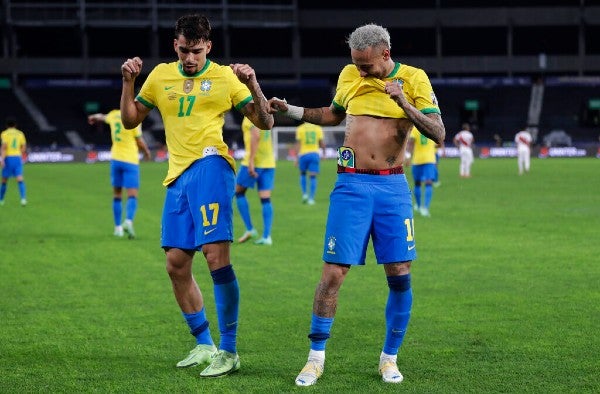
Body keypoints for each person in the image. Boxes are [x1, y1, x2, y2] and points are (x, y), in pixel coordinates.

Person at [268, 23, 445, 386]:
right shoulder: (349, 73)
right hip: (350, 185)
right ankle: (315, 359)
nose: (360, 71)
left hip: (392, 187)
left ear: (385, 53)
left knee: (399, 275)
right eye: (356, 64)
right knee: (332, 274)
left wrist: (403, 102)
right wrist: (292, 110)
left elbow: (438, 133)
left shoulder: (414, 78)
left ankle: (389, 359)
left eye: (366, 65)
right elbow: (332, 114)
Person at [119, 14, 273, 378]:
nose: (190, 58)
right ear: (175, 45)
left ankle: (230, 350)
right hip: (177, 175)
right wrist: (128, 82)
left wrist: (252, 84)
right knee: (175, 263)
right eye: (185, 50)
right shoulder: (159, 76)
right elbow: (129, 121)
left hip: (211, 164)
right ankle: (205, 343)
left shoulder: (222, 77)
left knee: (215, 255)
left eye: (198, 51)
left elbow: (265, 121)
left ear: (209, 47)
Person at [88, 110, 151, 238]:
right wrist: (146, 152)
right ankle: (128, 221)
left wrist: (93, 117)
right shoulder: (134, 118)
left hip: (116, 159)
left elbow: (102, 116)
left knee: (117, 194)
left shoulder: (114, 115)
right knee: (132, 195)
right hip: (130, 161)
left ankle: (117, 228)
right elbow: (139, 140)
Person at [235, 116, 276, 246]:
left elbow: (255, 136)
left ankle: (250, 229)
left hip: (253, 162)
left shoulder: (250, 117)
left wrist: (251, 161)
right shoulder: (265, 115)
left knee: (238, 192)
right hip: (269, 162)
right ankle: (266, 236)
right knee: (265, 199)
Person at [406, 127, 438, 217]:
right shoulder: (432, 128)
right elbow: (439, 141)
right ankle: (424, 207)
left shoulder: (415, 129)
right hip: (429, 159)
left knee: (418, 183)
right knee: (427, 183)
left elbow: (411, 143)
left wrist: (408, 156)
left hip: (418, 160)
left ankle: (421, 206)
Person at [294, 122, 325, 205]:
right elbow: (321, 143)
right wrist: (324, 154)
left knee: (302, 174)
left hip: (303, 154)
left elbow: (298, 144)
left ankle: (304, 194)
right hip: (314, 154)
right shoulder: (318, 128)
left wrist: (296, 158)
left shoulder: (300, 128)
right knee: (313, 176)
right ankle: (311, 199)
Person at [0, 117, 27, 206]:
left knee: (4, 180)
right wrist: (19, 153)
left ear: (7, 125)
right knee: (20, 179)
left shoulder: (4, 134)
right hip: (17, 158)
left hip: (8, 158)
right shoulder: (20, 134)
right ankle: (23, 199)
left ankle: (1, 200)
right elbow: (23, 147)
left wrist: (2, 159)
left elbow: (4, 147)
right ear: (15, 125)